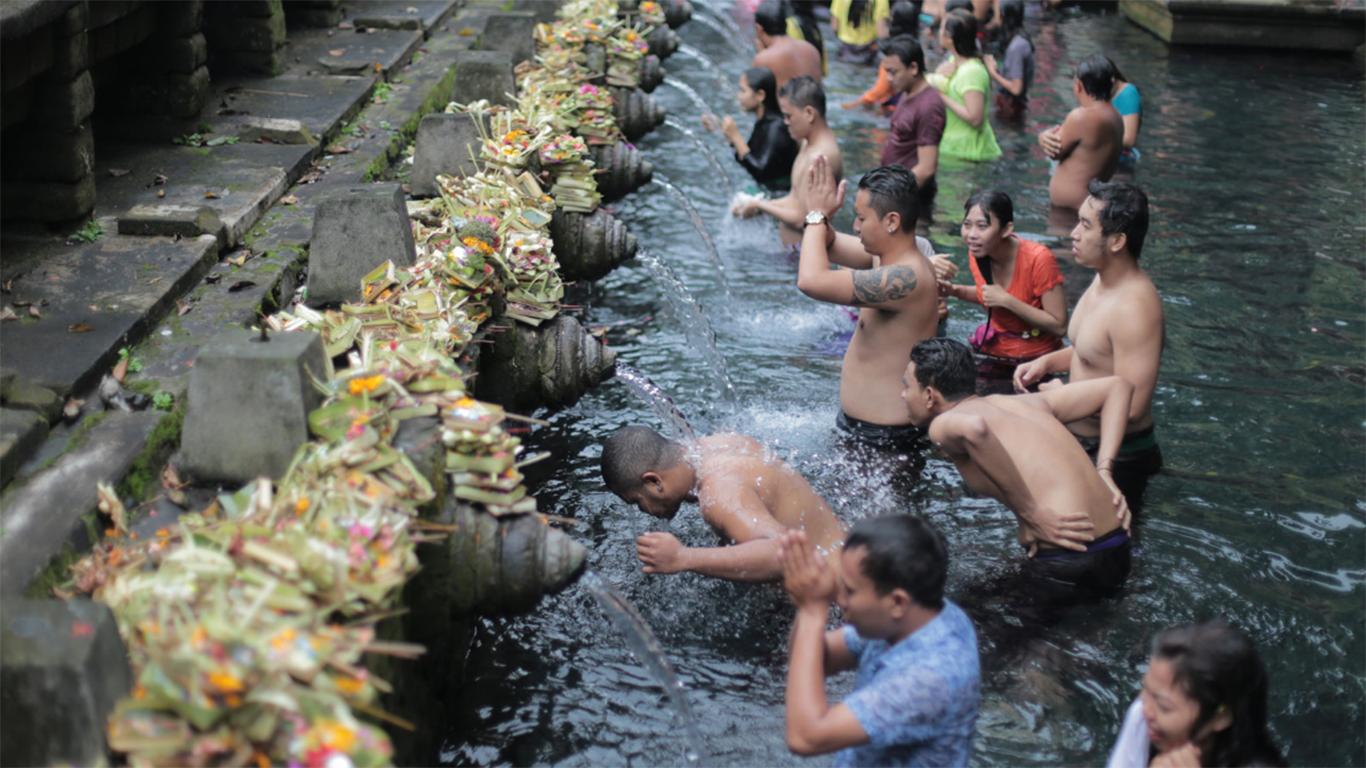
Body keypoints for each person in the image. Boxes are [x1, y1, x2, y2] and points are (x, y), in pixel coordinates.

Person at [903, 338, 1134, 593]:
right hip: (1118, 545)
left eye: (906, 386)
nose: (903, 395)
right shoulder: (1024, 402)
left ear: (929, 395)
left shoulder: (943, 424)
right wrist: (1104, 471)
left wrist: (1031, 513)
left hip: (1069, 555)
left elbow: (974, 429)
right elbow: (1117, 387)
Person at [778, 515, 980, 765]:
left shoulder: (930, 679)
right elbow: (817, 658)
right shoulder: (919, 615)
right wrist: (808, 597)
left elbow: (805, 738)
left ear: (897, 602)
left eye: (849, 591)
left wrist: (812, 610)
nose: (839, 599)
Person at [1014, 181, 1163, 508]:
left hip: (1119, 459)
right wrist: (1049, 363)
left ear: (1117, 241)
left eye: (1085, 225)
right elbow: (1095, 351)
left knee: (1104, 553)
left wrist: (1060, 399)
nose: (1073, 234)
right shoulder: (1102, 278)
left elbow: (1133, 405)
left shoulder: (1135, 307)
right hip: (1081, 442)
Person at [795, 159, 947, 448]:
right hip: (861, 430)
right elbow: (827, 243)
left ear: (891, 221)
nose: (855, 226)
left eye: (862, 219)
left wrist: (816, 215)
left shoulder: (907, 277)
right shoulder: (884, 256)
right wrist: (820, 214)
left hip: (885, 442)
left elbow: (810, 280)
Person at [600, 427, 846, 581]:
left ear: (654, 482)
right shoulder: (717, 444)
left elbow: (782, 553)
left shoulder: (718, 493)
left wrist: (683, 557)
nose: (645, 512)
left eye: (637, 502)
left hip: (837, 598)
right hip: (847, 560)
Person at [1108, 620, 1286, 768]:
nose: (1146, 709)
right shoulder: (1144, 715)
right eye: (1145, 691)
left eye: (1164, 707)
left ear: (1221, 717)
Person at [941, 190, 1065, 393]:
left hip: (1037, 361)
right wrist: (956, 291)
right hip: (994, 352)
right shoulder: (978, 251)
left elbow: (1059, 326)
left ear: (1006, 229)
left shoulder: (1039, 259)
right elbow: (989, 294)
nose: (971, 234)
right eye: (967, 225)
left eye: (982, 226)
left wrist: (1008, 300)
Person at [732, 76, 843, 249]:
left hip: (803, 255)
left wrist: (760, 205)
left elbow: (804, 219)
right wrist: (754, 205)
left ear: (809, 113)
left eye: (788, 116)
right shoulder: (808, 143)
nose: (785, 122)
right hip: (792, 252)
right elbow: (795, 199)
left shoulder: (821, 158)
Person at [1037, 55, 1123, 210]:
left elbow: (1054, 151)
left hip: (1072, 209)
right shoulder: (1116, 117)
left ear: (1078, 85)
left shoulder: (1082, 116)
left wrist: (1043, 136)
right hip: (1091, 203)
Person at [878, 35, 944, 221]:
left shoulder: (929, 106)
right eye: (886, 72)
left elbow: (926, 167)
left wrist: (888, 197)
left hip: (910, 201)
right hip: (896, 192)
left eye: (893, 72)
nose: (889, 79)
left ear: (913, 68)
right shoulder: (908, 93)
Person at [703, 66, 800, 191]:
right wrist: (722, 131)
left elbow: (760, 172)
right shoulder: (765, 122)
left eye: (743, 91)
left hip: (781, 193)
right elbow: (748, 158)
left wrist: (737, 138)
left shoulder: (776, 128)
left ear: (760, 95)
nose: (738, 96)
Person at [927, 11, 1002, 163]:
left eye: (941, 29)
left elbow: (975, 119)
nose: (938, 33)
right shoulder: (952, 62)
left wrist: (941, 97)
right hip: (953, 147)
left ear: (949, 38)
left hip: (969, 152)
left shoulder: (972, 72)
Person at [842, 1, 921, 112]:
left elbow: (881, 90)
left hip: (891, 110)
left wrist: (853, 105)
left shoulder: (893, 53)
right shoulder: (917, 48)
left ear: (893, 22)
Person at [752, 0, 823, 90]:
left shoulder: (763, 58)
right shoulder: (812, 50)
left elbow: (758, 95)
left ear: (759, 29)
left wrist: (761, 53)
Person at [982, 0, 1032, 122]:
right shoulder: (1021, 39)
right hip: (1016, 105)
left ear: (1004, 16)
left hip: (1011, 108)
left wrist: (993, 73)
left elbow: (1016, 88)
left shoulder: (1017, 47)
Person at [830, 0, 892, 65]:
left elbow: (834, 27)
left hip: (843, 52)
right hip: (868, 53)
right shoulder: (880, 1)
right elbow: (881, 33)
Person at [1109, 59, 1142, 168]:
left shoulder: (1128, 93)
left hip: (1122, 159)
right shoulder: (1104, 94)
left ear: (1111, 80)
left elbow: (1128, 139)